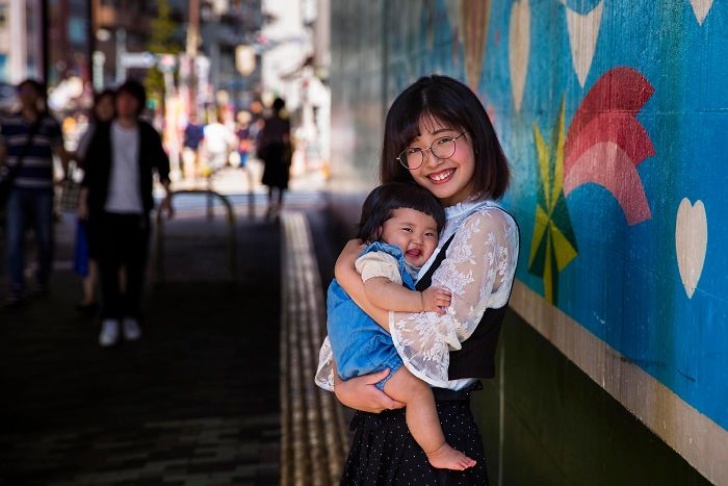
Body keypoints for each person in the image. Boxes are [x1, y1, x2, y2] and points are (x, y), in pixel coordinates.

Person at [315, 74, 520, 484]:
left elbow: (430, 337)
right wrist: (342, 382)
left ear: (476, 137)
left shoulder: (486, 225)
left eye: (444, 140)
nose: (432, 160)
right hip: (380, 429)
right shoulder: (411, 222)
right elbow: (346, 327)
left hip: (436, 435)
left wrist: (346, 275)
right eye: (414, 150)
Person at [328, 181, 476, 471]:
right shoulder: (379, 257)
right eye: (407, 230)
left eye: (429, 233)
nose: (418, 240)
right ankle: (436, 449)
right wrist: (421, 300)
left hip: (367, 352)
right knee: (417, 391)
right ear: (377, 231)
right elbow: (378, 292)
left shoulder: (382, 257)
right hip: (372, 354)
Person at [78, 79, 173, 347]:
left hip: (136, 210)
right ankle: (110, 319)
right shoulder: (103, 132)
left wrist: (167, 193)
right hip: (105, 210)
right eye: (121, 98)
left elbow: (161, 163)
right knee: (108, 267)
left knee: (135, 267)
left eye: (131, 99)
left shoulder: (146, 133)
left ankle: (130, 315)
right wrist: (85, 201)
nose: (125, 103)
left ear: (139, 104)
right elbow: (91, 170)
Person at [0, 78, 70, 307]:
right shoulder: (8, 123)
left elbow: (60, 151)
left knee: (45, 238)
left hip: (42, 189)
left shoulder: (50, 123)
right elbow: (2, 153)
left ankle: (42, 279)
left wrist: (65, 176)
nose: (27, 96)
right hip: (16, 189)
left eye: (31, 92)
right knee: (15, 238)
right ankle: (17, 285)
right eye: (23, 92)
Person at [73, 88, 116, 312]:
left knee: (118, 252)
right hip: (94, 199)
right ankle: (90, 295)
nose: (106, 108)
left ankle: (118, 299)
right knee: (92, 250)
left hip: (119, 200)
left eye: (110, 103)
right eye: (102, 104)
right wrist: (83, 200)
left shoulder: (125, 132)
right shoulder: (91, 133)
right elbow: (84, 167)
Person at [257, 97, 292, 219]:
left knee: (271, 181)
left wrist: (261, 151)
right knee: (281, 181)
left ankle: (271, 204)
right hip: (280, 151)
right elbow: (288, 139)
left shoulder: (269, 121)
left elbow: (264, 138)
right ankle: (279, 206)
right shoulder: (285, 121)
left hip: (271, 151)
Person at [181, 113, 204, 179]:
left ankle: (192, 177)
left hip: (192, 147)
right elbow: (202, 138)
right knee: (191, 163)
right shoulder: (196, 127)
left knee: (191, 163)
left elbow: (183, 137)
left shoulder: (189, 127)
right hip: (191, 147)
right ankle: (192, 177)